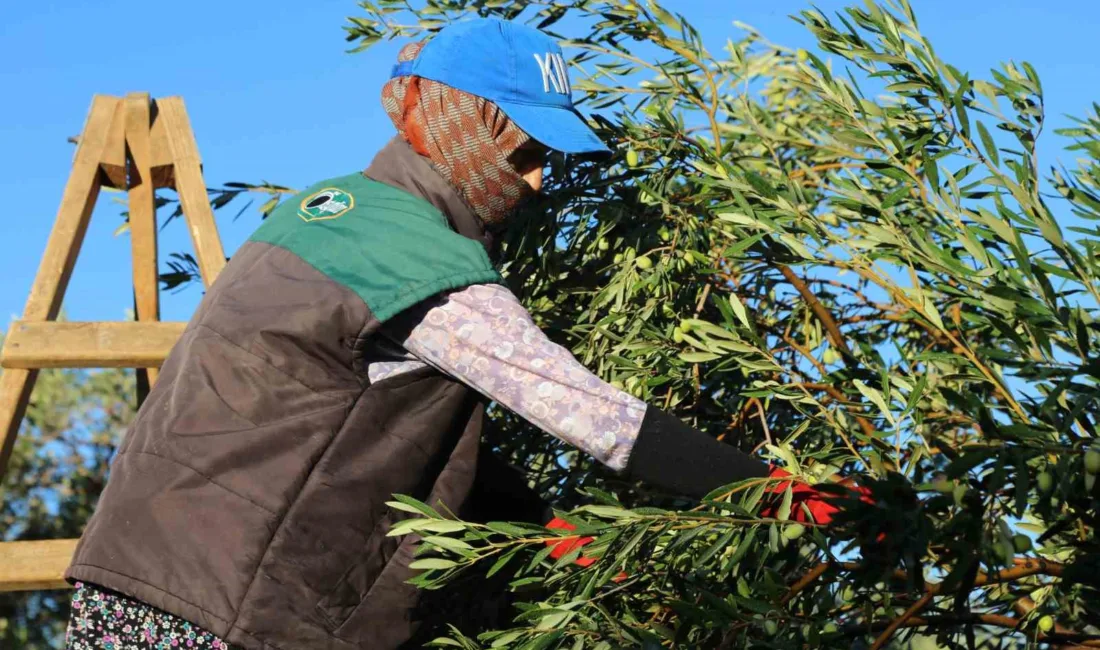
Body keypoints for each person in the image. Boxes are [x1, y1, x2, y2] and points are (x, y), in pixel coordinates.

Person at [62, 17, 853, 650]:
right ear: (468, 123)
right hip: (229, 612)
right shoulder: (421, 262)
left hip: (133, 579)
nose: (540, 182)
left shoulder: (325, 210)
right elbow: (595, 417)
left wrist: (539, 522)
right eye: (529, 151)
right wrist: (781, 494)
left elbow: (347, 416)